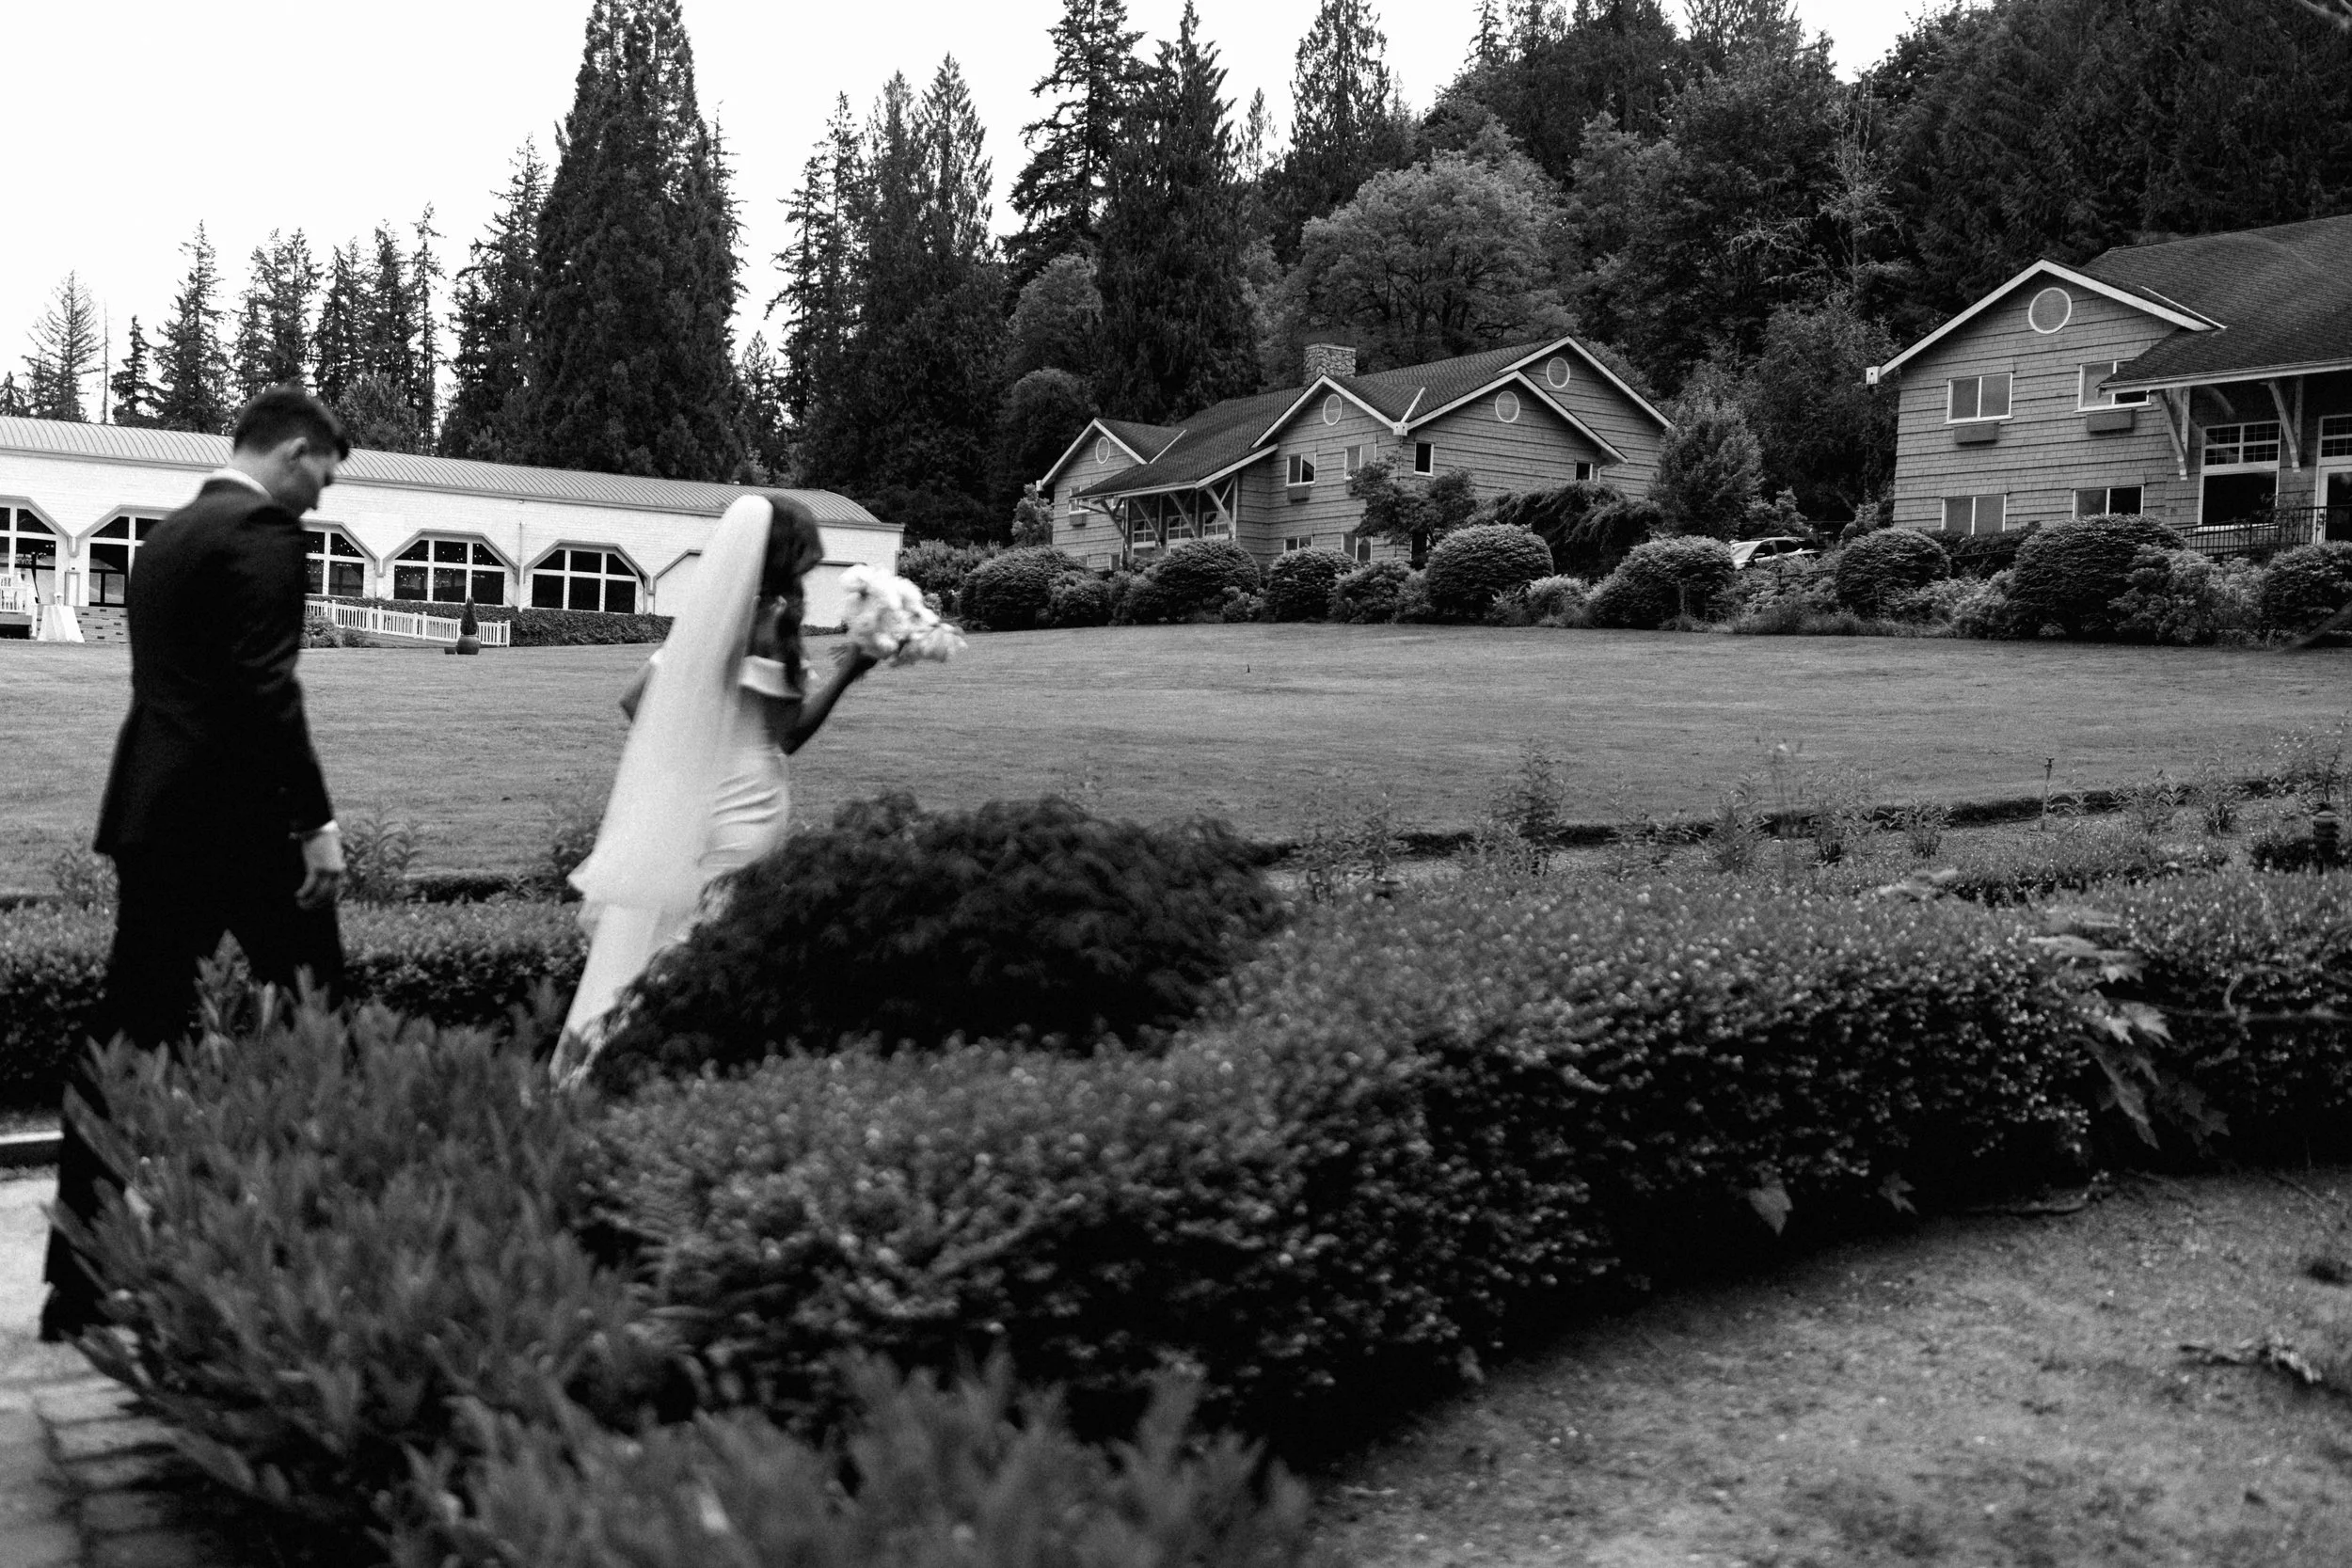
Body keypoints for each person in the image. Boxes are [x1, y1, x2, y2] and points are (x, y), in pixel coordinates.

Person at [42, 385, 351, 1343]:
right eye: (326, 471)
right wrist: (314, 820)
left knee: (127, 1029)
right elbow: (265, 687)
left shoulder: (168, 537)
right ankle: (324, 1246)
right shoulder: (263, 532)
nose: (324, 494)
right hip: (246, 829)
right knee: (318, 1014)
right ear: (294, 450)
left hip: (154, 814)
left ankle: (77, 1277)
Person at [552, 493, 875, 1081]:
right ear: (786, 552)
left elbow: (635, 701)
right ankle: (690, 1070)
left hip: (699, 802)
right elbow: (789, 735)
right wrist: (851, 670)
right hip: (748, 806)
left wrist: (691, 754)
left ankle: (604, 1065)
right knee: (712, 945)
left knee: (665, 936)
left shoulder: (715, 617)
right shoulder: (776, 622)